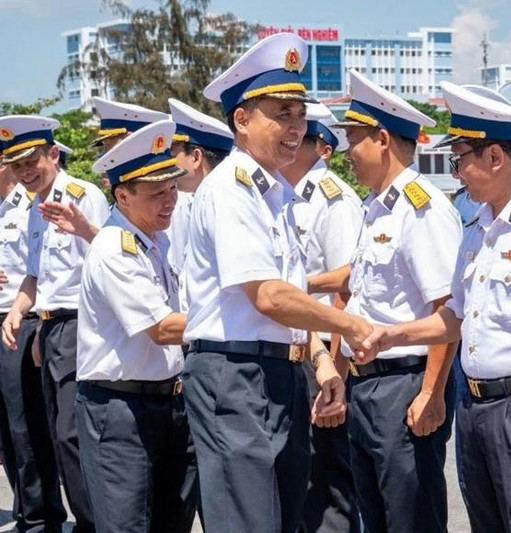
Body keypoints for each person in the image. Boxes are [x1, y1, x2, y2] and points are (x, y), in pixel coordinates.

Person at [360, 80, 511, 532]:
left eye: (460, 159)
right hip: (476, 409)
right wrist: (394, 334)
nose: (456, 171)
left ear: (494, 157)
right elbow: (456, 316)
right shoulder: (479, 225)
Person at [181, 33, 372, 533]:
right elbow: (267, 295)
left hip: (277, 374)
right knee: (247, 522)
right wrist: (348, 325)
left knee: (286, 521)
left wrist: (323, 361)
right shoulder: (232, 190)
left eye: (299, 114)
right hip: (234, 374)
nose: (295, 127)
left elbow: (291, 297)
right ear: (241, 120)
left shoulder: (276, 193)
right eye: (280, 113)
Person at [307, 68, 462, 533]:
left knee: (411, 518)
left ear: (381, 140)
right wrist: (302, 285)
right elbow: (360, 278)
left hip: (406, 383)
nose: (346, 153)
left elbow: (445, 308)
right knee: (374, 517)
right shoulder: (377, 207)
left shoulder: (423, 207)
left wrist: (432, 393)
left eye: (353, 139)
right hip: (366, 383)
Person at [76, 120, 197, 533]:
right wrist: (234, 321)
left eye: (172, 190)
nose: (169, 202)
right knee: (126, 525)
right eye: (156, 194)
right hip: (120, 409)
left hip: (168, 403)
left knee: (172, 523)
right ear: (122, 196)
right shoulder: (115, 248)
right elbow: (162, 328)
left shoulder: (155, 241)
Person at [0, 115, 110, 533]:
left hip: (83, 325)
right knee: (56, 433)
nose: (26, 172)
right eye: (18, 165)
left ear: (52, 153)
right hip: (50, 327)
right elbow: (35, 274)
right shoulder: (33, 209)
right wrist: (19, 312)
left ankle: (97, 523)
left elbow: (110, 259)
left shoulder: (84, 196)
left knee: (73, 434)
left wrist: (83, 227)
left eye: (33, 161)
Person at [280, 102, 363, 533]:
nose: (286, 142)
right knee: (303, 480)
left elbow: (348, 287)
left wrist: (336, 371)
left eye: (295, 135)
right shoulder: (282, 197)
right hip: (299, 352)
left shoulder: (334, 198)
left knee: (329, 482)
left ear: (315, 143)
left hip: (326, 359)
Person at [0, 156, 66, 532]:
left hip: (22, 320)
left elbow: (43, 272)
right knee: (8, 430)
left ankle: (41, 518)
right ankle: (26, 512)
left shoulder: (33, 205)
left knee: (27, 426)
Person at [167, 97, 234, 312]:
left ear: (196, 157)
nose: (168, 163)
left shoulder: (223, 203)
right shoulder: (198, 201)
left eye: (172, 153)